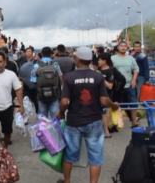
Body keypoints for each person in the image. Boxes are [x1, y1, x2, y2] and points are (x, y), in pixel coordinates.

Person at [56, 47, 119, 183]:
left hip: (74, 122)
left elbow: (65, 101)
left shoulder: (69, 77)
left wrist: (61, 112)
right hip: (94, 122)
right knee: (95, 157)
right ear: (91, 60)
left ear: (77, 59)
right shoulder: (97, 76)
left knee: (69, 155)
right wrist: (114, 105)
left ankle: (67, 181)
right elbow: (104, 100)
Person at [0, 51, 24, 148]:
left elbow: (18, 90)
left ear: (4, 62)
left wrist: (21, 106)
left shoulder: (11, 75)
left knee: (7, 132)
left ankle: (5, 150)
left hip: (7, 108)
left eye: (0, 61)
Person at [112, 41, 139, 127]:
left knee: (133, 103)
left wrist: (134, 80)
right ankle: (116, 124)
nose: (123, 47)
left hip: (129, 85)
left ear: (127, 48)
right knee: (116, 105)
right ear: (118, 47)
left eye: (125, 46)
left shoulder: (131, 58)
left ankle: (134, 122)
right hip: (116, 87)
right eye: (121, 46)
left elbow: (136, 69)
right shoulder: (112, 58)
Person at [37, 47, 63, 117]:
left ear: (41, 54)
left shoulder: (37, 65)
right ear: (51, 54)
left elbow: (33, 81)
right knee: (55, 118)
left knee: (42, 118)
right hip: (54, 94)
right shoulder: (55, 64)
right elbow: (61, 78)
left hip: (41, 95)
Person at [97, 53, 114, 138]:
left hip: (104, 95)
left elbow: (110, 86)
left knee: (103, 114)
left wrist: (100, 77)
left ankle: (107, 132)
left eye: (100, 60)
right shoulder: (98, 69)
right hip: (96, 95)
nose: (98, 61)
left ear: (104, 61)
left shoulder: (110, 71)